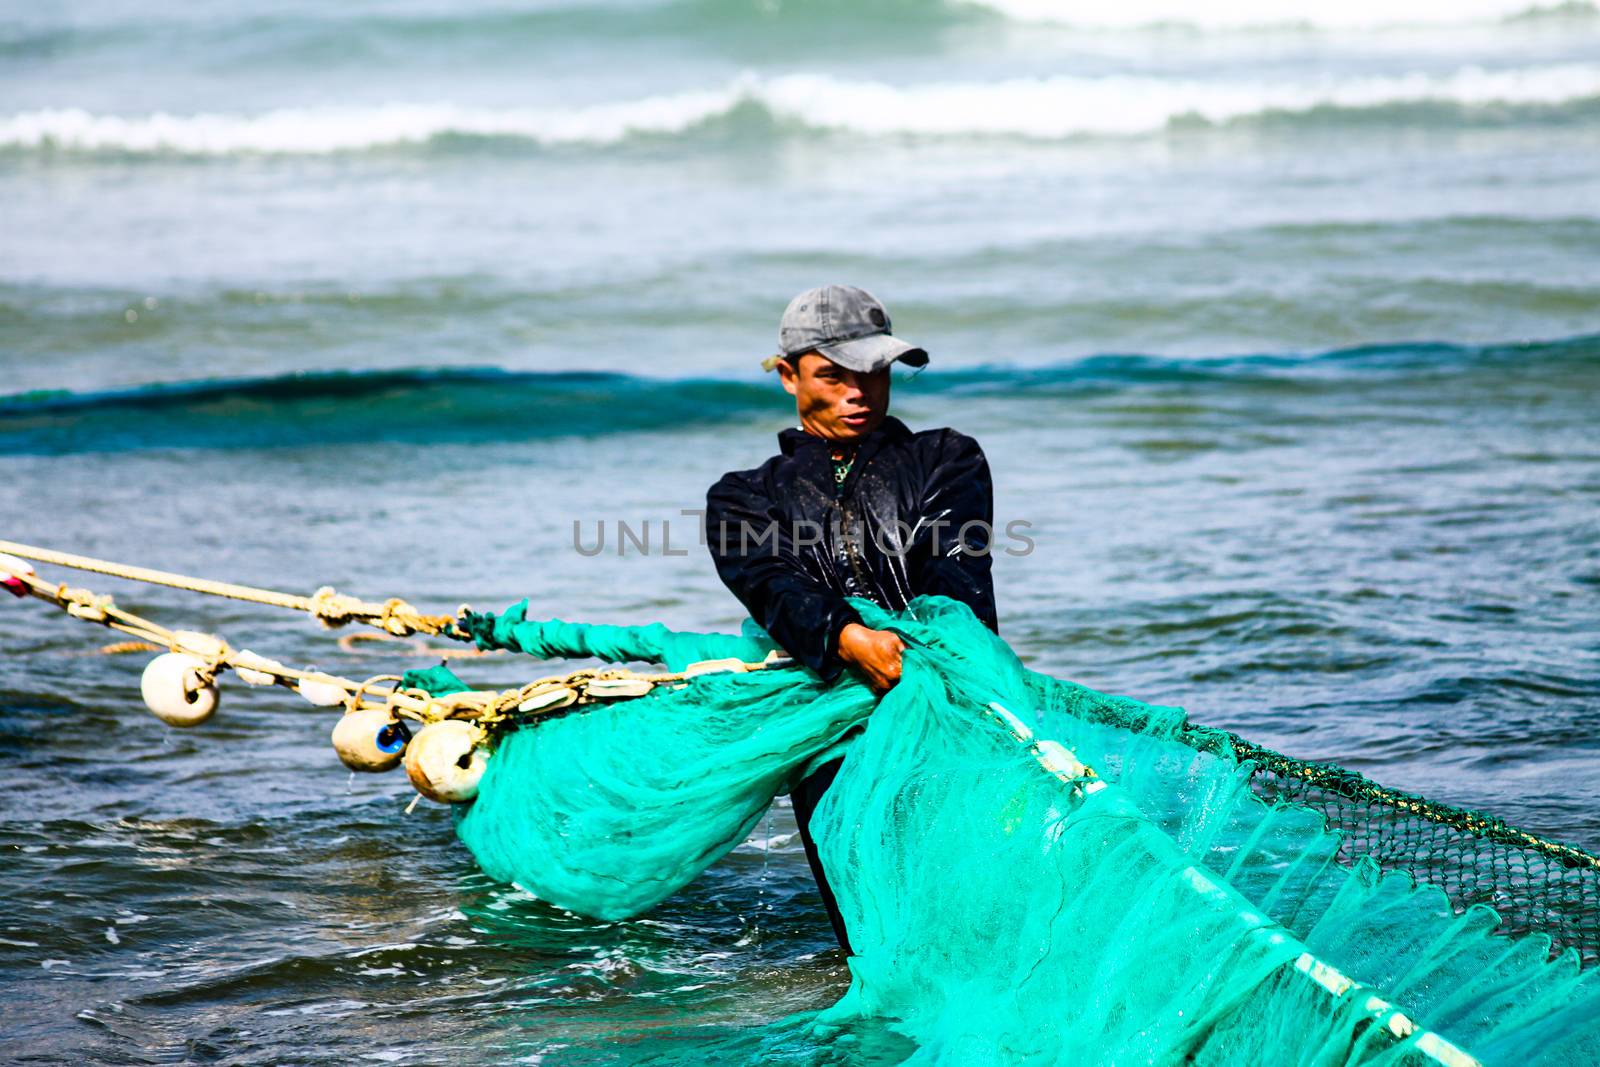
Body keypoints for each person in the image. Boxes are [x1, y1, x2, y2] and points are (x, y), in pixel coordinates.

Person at [704, 285, 998, 953]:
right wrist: (844, 635)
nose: (858, 391)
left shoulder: (947, 460)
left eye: (874, 371)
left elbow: (958, 574)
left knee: (974, 904)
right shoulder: (743, 498)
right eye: (833, 374)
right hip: (827, 730)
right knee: (869, 927)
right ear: (787, 375)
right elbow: (773, 586)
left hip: (948, 709)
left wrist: (925, 656)